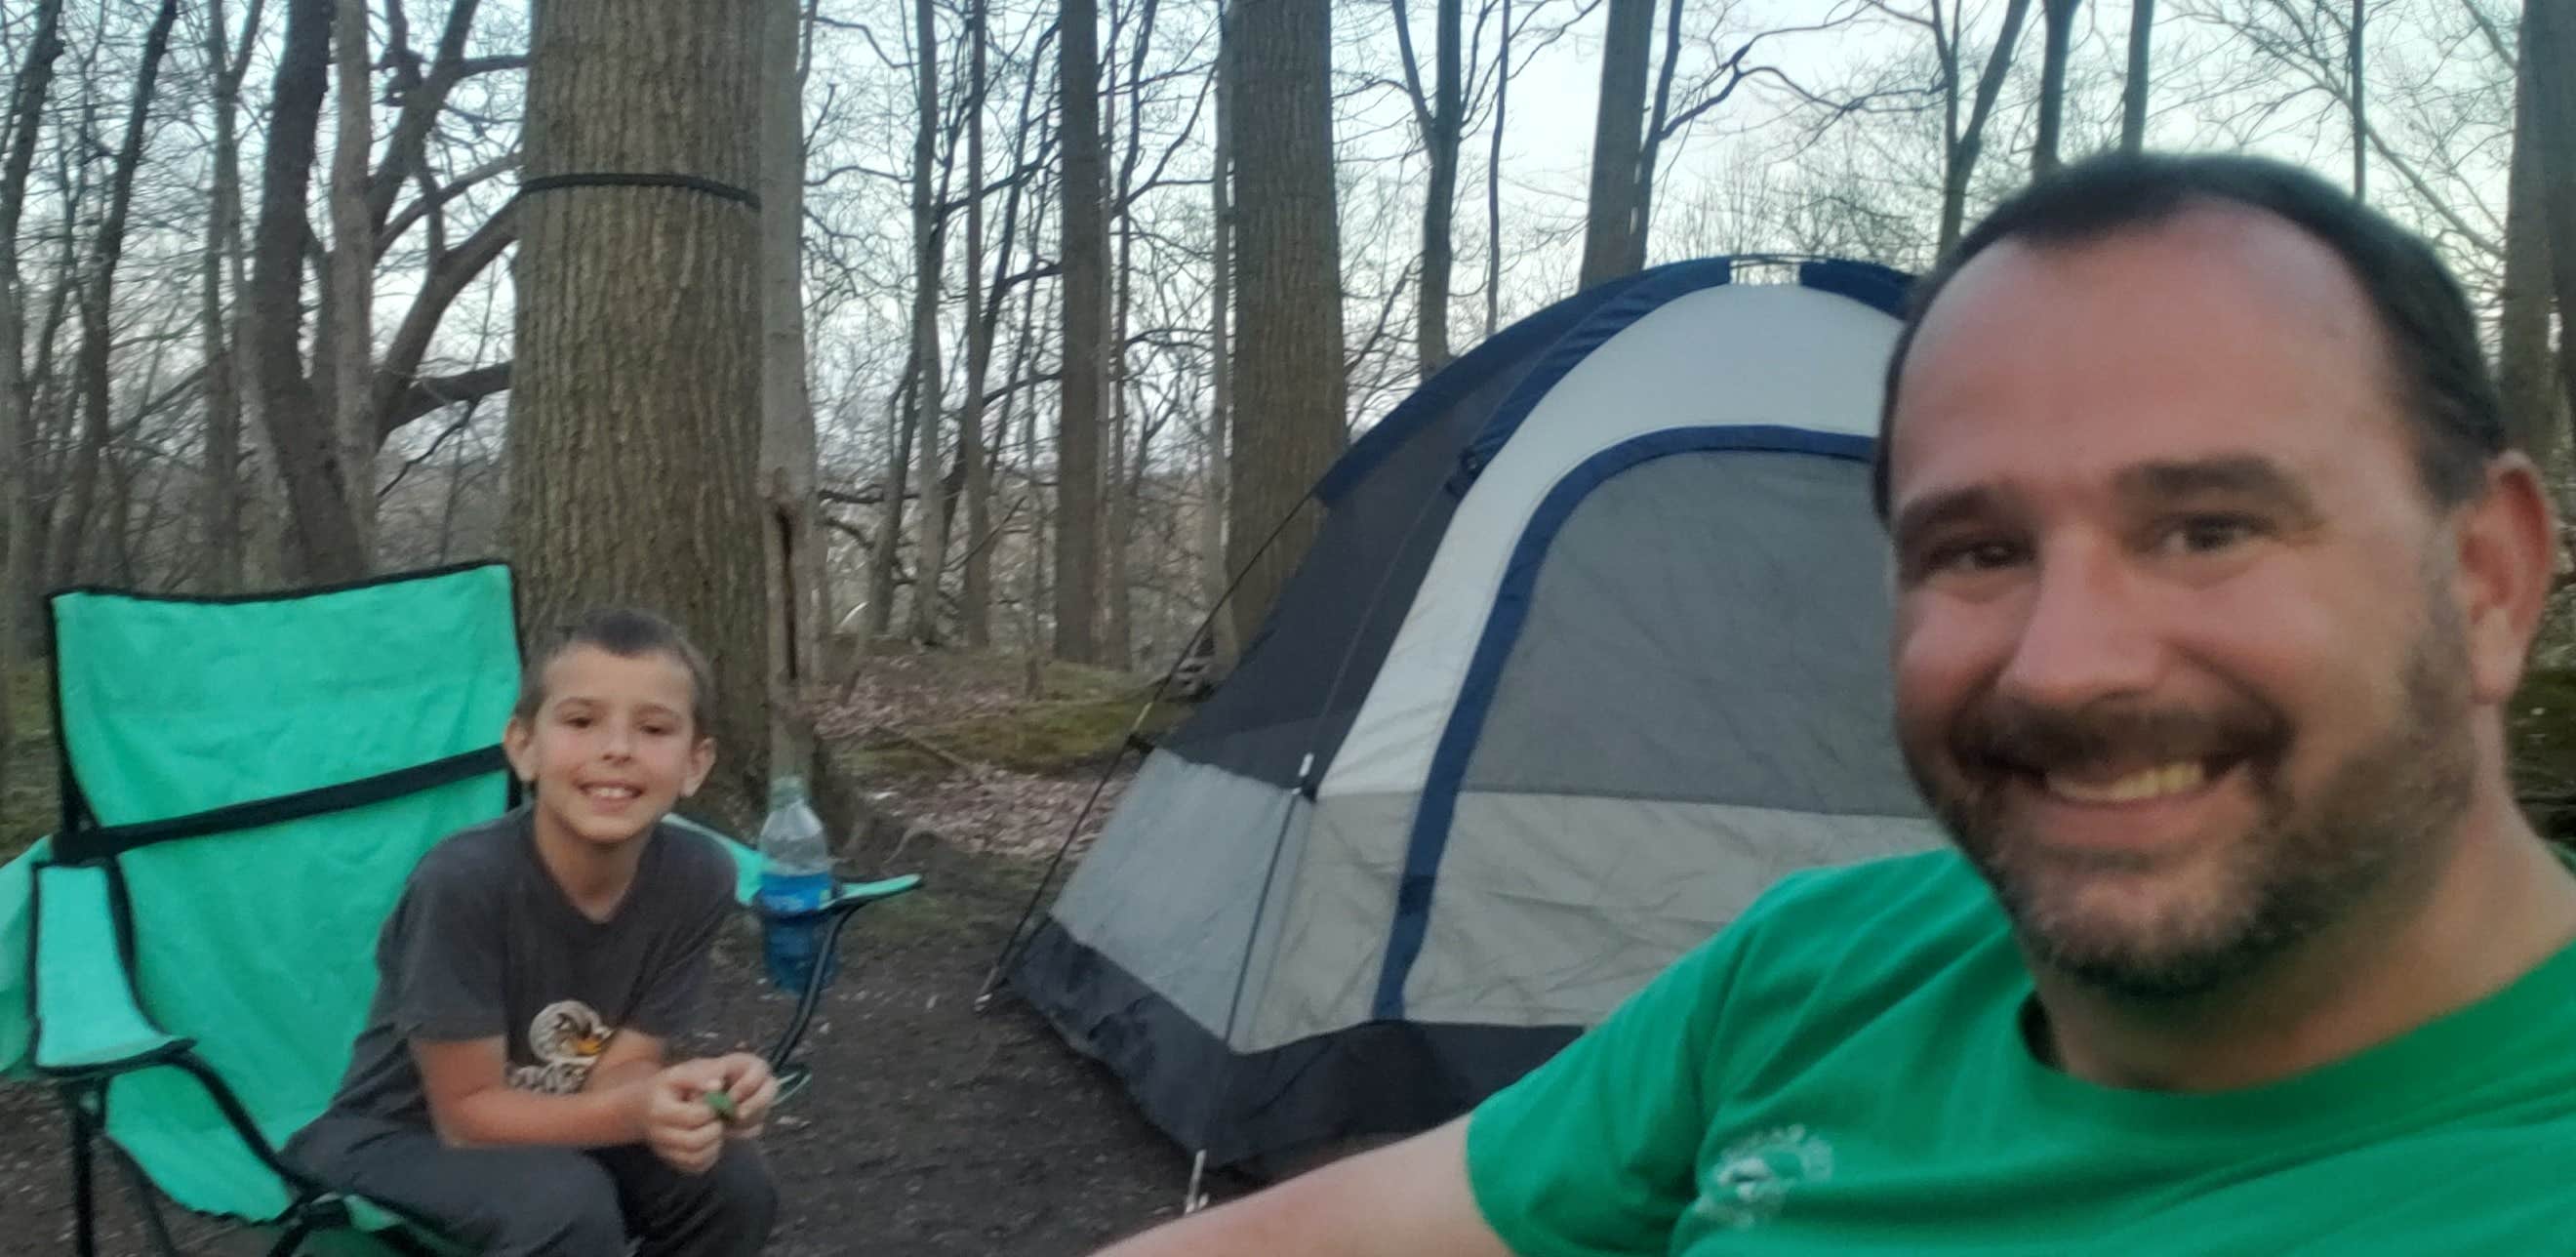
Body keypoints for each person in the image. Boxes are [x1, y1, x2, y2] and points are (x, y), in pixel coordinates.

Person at [1093, 150, 2576, 1254]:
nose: (2064, 665)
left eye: (2207, 528)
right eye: (1978, 550)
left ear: (2492, 579)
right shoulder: (1817, 977)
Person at [286, 608, 780, 1256]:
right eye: (580, 722)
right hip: (396, 1135)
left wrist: (689, 1097)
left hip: (556, 1119)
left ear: (695, 762)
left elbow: (620, 1070)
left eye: (654, 729)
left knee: (732, 1179)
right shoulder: (464, 883)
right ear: (524, 747)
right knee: (564, 1205)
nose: (618, 750)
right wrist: (634, 1114)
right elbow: (466, 1116)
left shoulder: (698, 876)